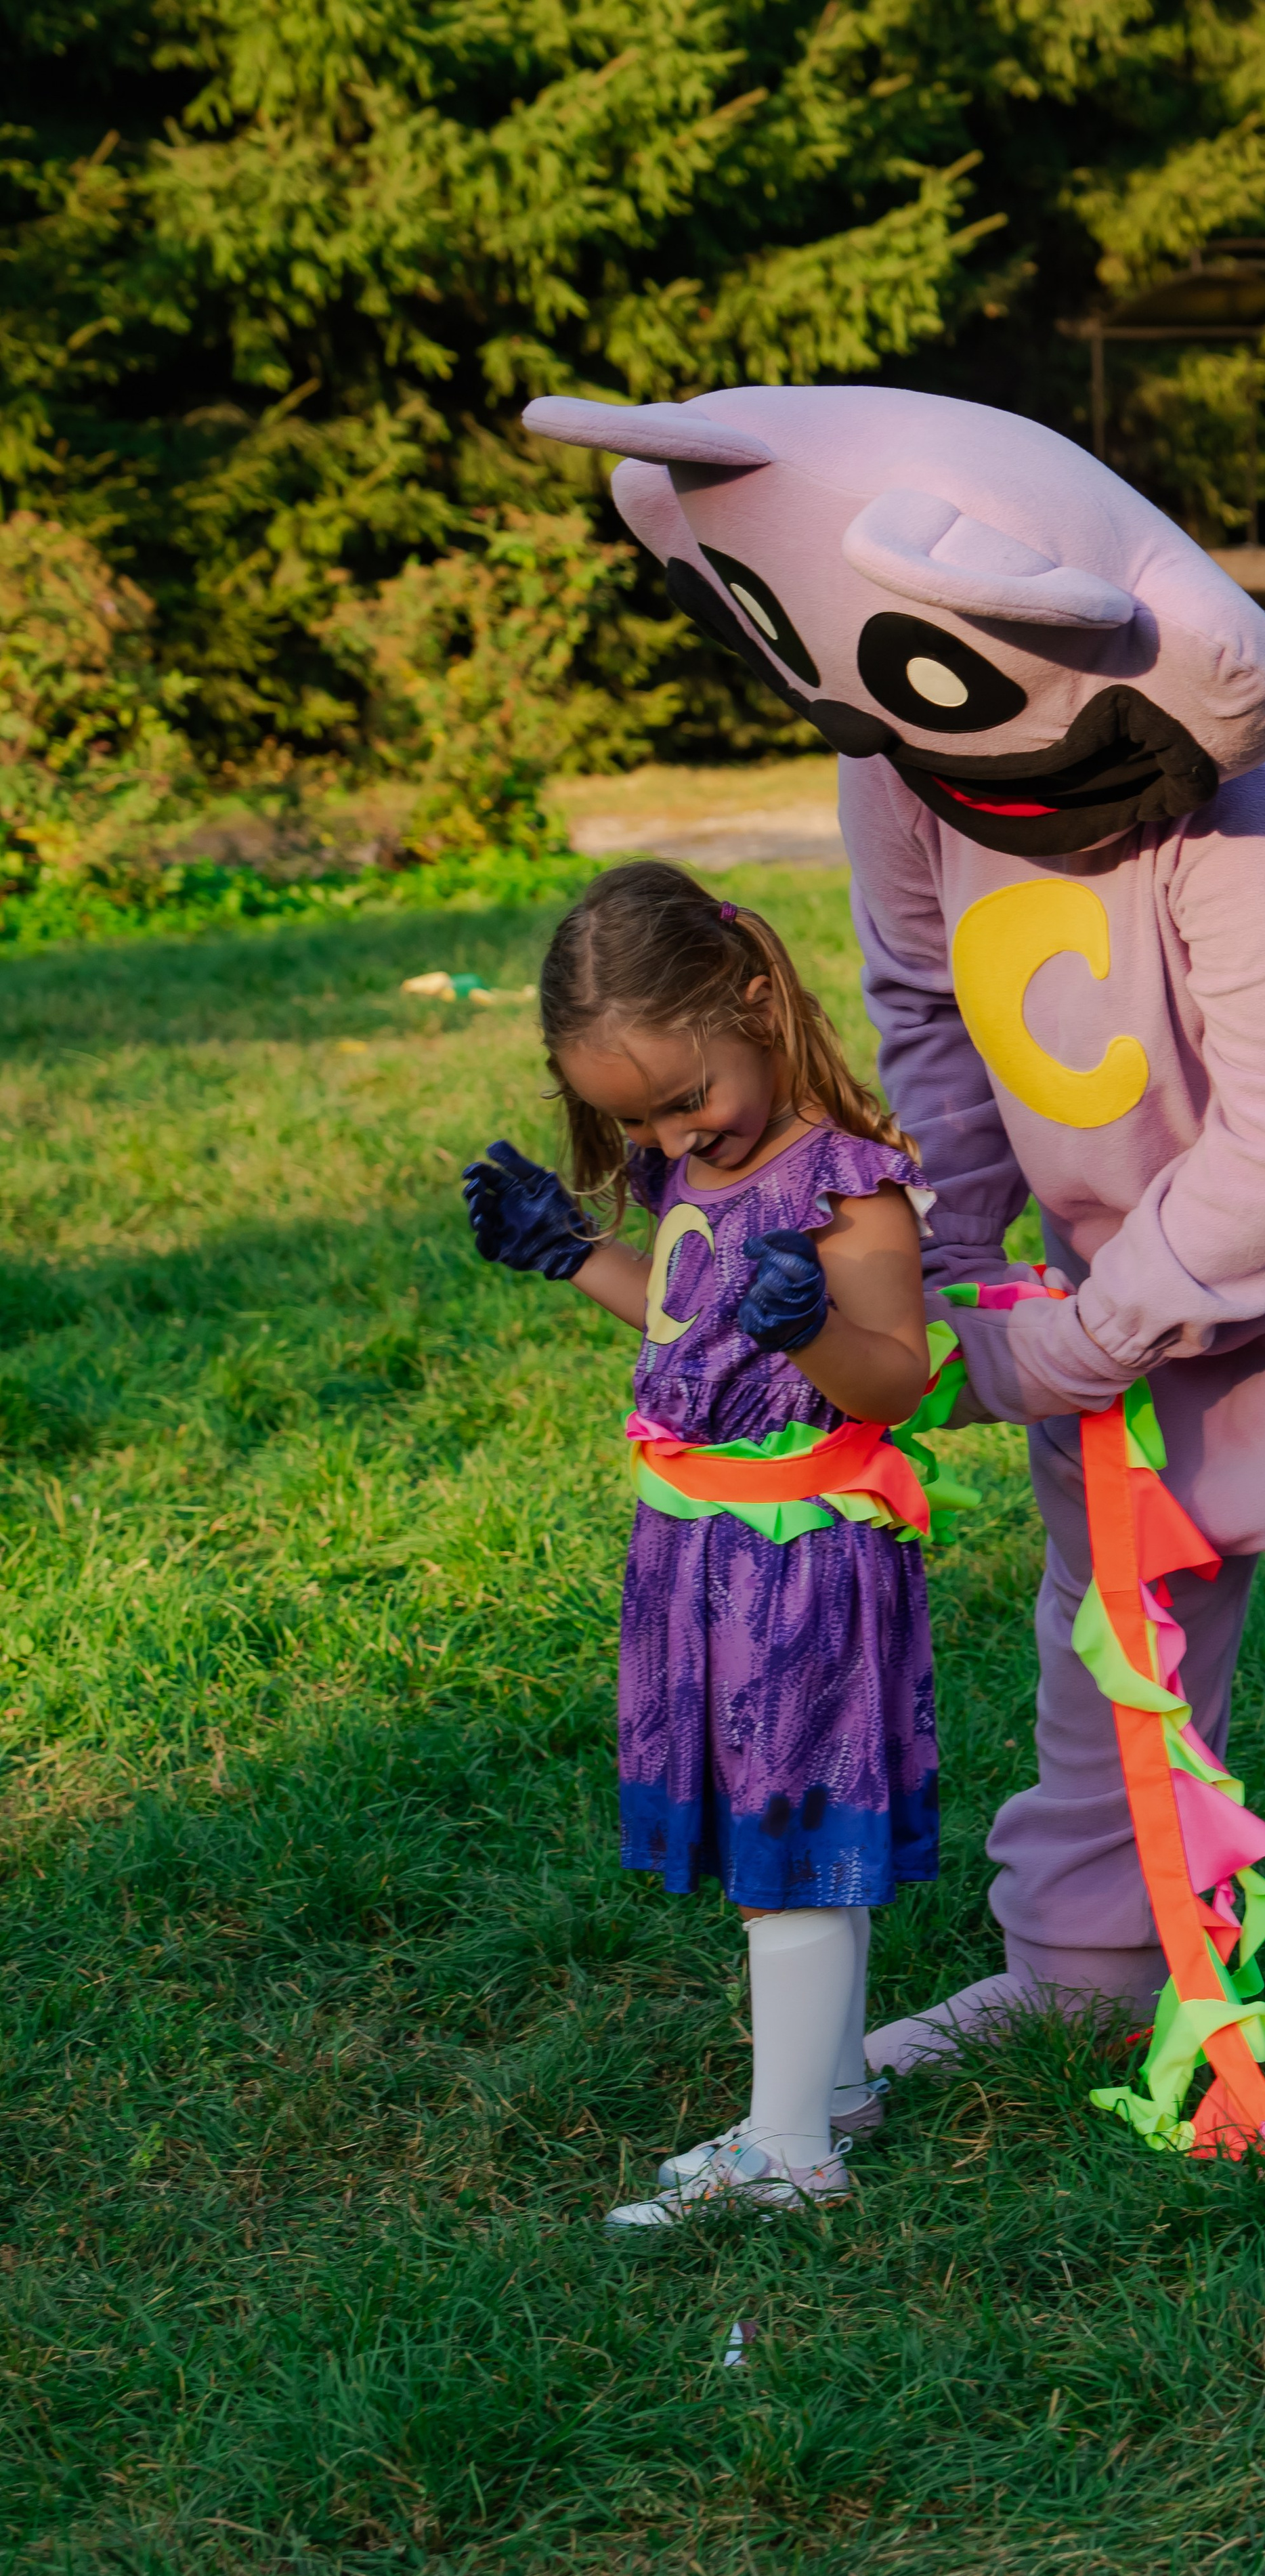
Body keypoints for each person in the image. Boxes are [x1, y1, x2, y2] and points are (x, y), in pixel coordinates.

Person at [511, 384, 1265, 2149]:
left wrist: (1049, 1352)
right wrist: (931, 1274)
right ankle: (1085, 1948)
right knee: (1113, 1613)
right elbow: (933, 1016)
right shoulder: (900, 756)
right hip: (1120, 1251)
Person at [462, 861, 939, 2221]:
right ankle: (833, 2089)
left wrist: (814, 1330)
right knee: (771, 1832)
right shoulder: (691, 1161)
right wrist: (569, 1255)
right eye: (636, 1118)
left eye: (686, 1098)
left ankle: (788, 2153)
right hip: (700, 1549)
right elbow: (689, 1320)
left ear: (755, 999)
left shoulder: (847, 1190)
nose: (675, 1133)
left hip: (799, 1551)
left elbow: (893, 1379)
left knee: (785, 1836)